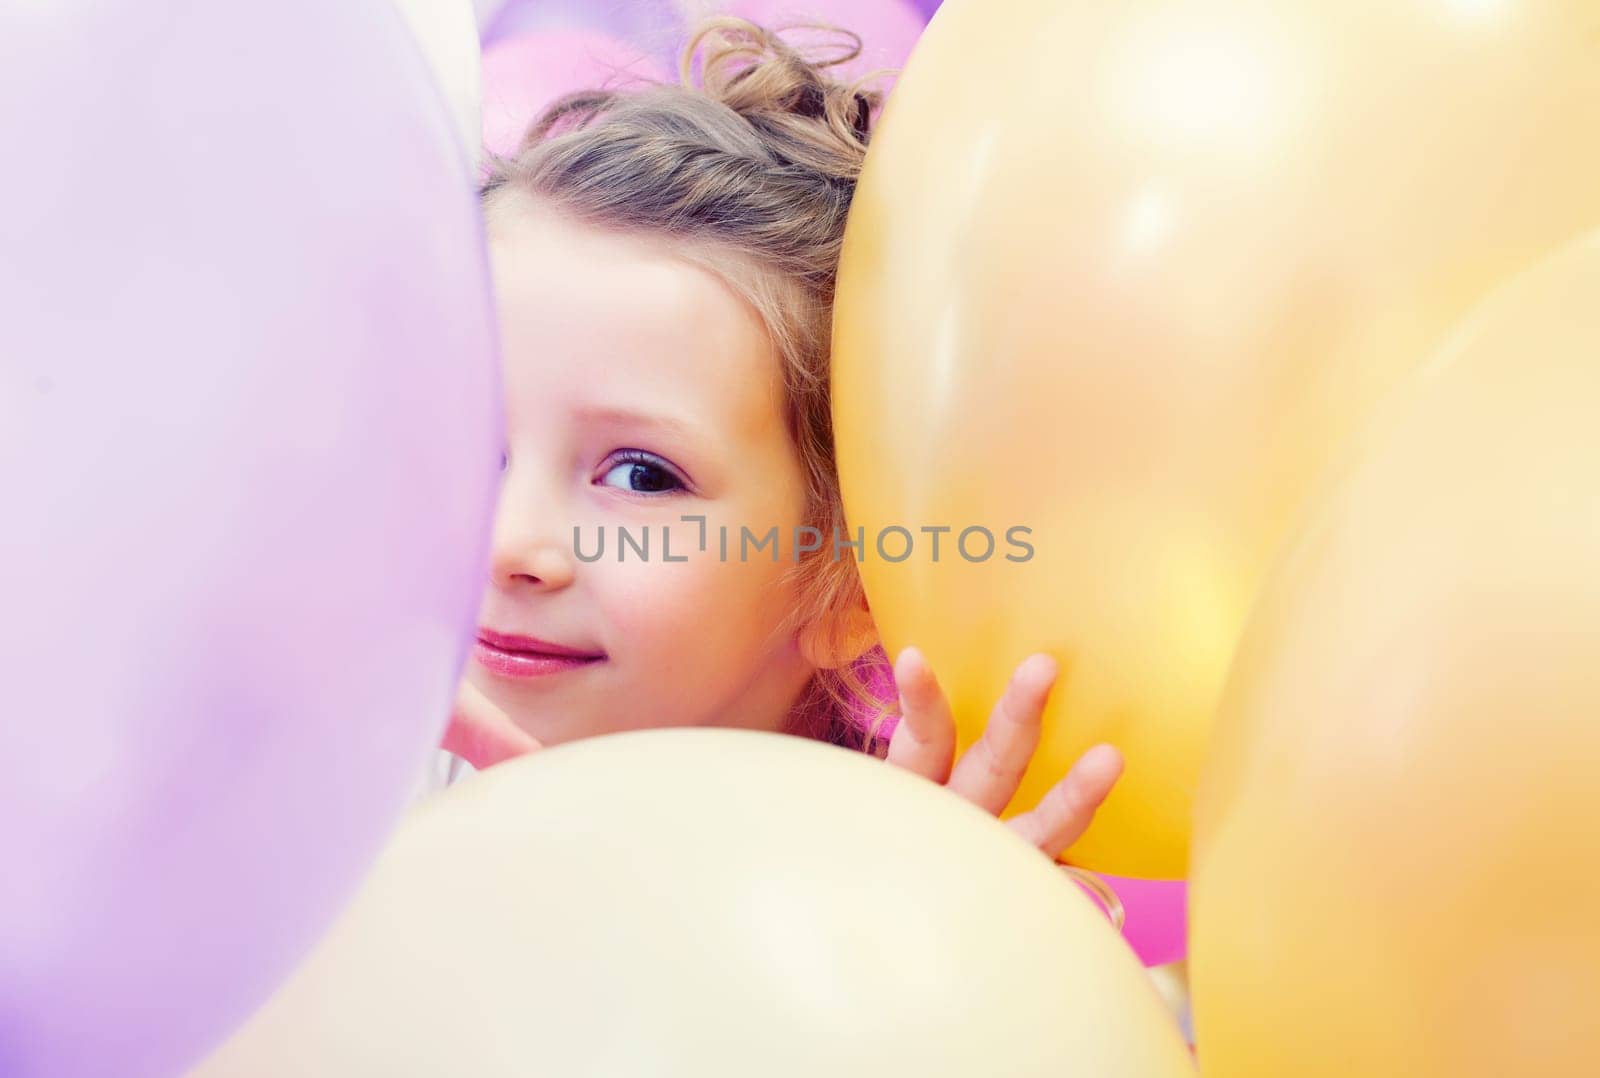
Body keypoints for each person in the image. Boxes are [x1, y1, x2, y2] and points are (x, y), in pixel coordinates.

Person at [437, 16, 1123, 862]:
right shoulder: (328, 810)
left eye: (643, 477)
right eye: (470, 441)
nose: (506, 544)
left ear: (850, 586)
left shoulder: (885, 901)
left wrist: (946, 936)